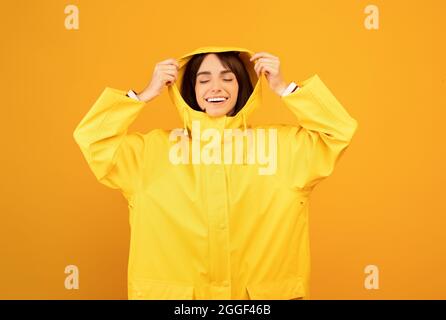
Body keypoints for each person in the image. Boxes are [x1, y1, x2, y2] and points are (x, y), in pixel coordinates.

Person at [73, 46, 358, 300]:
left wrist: (286, 89)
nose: (216, 87)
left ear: (243, 85)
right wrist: (144, 95)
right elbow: (92, 138)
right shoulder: (150, 152)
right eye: (204, 79)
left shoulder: (282, 148)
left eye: (227, 77)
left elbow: (337, 132)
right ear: (190, 91)